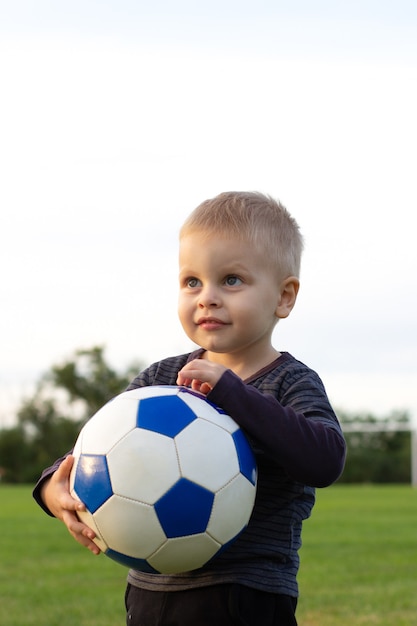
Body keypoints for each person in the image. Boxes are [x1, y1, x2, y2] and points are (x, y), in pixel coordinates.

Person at [33, 191, 346, 626]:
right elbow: (90, 450)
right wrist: (52, 489)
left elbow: (325, 460)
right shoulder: (160, 380)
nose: (207, 297)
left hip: (246, 594)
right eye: (192, 281)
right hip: (149, 592)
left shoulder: (290, 382)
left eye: (231, 280)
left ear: (284, 297)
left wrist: (234, 394)